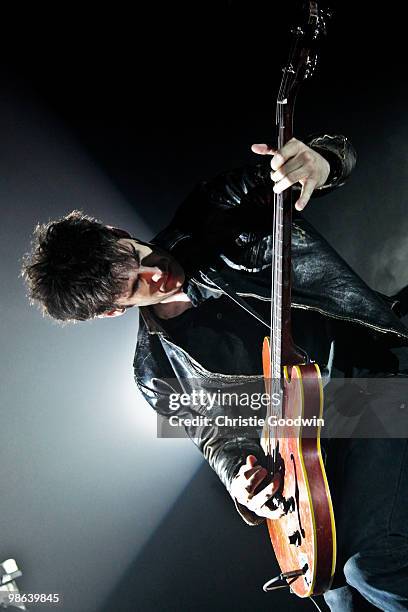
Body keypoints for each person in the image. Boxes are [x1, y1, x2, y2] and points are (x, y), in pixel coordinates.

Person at [22, 134, 408, 611]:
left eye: (134, 256)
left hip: (372, 383)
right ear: (111, 312)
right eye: (135, 287)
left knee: (370, 565)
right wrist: (239, 479)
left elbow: (302, 170)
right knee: (337, 594)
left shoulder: (211, 215)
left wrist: (321, 162)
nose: (155, 273)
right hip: (314, 457)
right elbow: (217, 439)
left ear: (116, 231)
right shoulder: (153, 374)